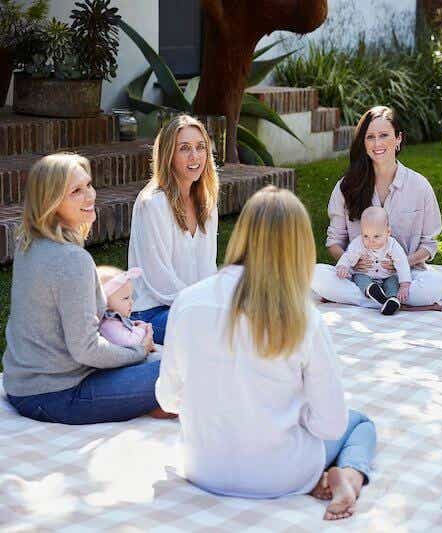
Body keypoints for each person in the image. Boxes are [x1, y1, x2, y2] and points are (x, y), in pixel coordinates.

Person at [156, 186, 377, 520]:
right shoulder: (302, 317)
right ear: (298, 248)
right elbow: (330, 424)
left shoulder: (188, 302)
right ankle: (350, 476)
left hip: (201, 467)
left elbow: (168, 400)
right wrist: (292, 412)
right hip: (284, 474)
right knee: (359, 423)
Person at [3, 153, 164, 424]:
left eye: (88, 185)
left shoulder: (28, 243)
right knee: (181, 368)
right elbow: (86, 350)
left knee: (163, 363)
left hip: (23, 387)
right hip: (57, 395)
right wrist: (139, 350)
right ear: (51, 202)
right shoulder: (70, 259)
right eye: (76, 191)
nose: (90, 196)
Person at [312, 106, 442, 309]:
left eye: (384, 135)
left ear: (398, 138)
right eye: (370, 137)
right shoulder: (346, 186)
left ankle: (373, 300)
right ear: (363, 143)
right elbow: (334, 242)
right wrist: (352, 263)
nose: (377, 144)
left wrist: (402, 264)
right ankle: (392, 302)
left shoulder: (419, 186)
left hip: (405, 277)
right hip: (359, 276)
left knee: (437, 284)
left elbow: (429, 245)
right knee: (315, 274)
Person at [128, 115, 219, 344]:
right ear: (169, 155)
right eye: (184, 148)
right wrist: (204, 309)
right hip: (152, 312)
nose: (194, 156)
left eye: (200, 147)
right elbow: (160, 282)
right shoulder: (153, 203)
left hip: (192, 308)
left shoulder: (206, 202)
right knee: (216, 332)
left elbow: (208, 269)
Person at [335, 206, 411, 315]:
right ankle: (372, 291)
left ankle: (392, 300)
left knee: (393, 282)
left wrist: (405, 285)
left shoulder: (392, 245)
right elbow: (348, 256)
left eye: (376, 236)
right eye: (366, 235)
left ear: (388, 231)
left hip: (387, 276)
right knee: (359, 278)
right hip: (366, 275)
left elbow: (402, 264)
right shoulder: (359, 243)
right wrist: (342, 266)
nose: (371, 241)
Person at [97, 266, 150, 348]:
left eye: (131, 297)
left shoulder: (114, 320)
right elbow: (132, 343)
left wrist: (133, 324)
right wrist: (141, 329)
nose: (131, 302)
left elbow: (122, 329)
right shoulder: (109, 325)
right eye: (126, 298)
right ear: (105, 302)